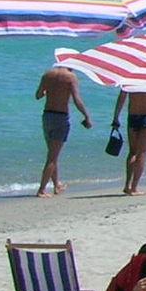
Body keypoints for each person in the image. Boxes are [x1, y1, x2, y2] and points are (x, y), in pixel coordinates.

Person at [34, 64, 92, 197]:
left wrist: (47, 91)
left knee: (53, 154)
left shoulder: (47, 74)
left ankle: (56, 185)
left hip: (47, 115)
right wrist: (86, 116)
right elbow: (77, 99)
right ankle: (41, 189)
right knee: (52, 157)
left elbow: (38, 95)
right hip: (61, 117)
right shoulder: (71, 77)